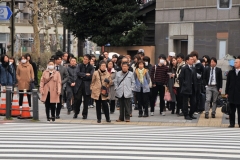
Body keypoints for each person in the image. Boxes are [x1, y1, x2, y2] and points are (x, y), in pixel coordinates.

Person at [73, 54, 95, 119]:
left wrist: (83, 76)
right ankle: (76, 112)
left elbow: (91, 76)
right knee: (78, 100)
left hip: (87, 86)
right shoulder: (79, 65)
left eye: (86, 59)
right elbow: (78, 73)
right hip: (79, 85)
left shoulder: (91, 67)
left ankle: (85, 114)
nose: (84, 60)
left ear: (89, 60)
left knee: (86, 101)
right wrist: (85, 74)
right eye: (84, 59)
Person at [179, 55, 197, 120]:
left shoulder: (194, 68)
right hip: (186, 87)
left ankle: (191, 114)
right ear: (187, 61)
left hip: (193, 87)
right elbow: (181, 78)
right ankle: (186, 114)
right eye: (191, 59)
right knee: (185, 102)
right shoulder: (184, 68)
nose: (192, 60)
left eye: (193, 59)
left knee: (193, 102)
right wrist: (184, 84)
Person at [226, 58, 240, 127]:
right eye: (234, 62)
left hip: (239, 94)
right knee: (231, 110)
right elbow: (227, 83)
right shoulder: (231, 72)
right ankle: (232, 123)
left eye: (236, 62)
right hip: (232, 93)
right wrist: (226, 92)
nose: (235, 63)